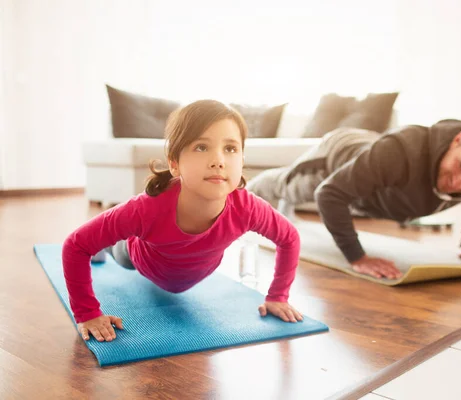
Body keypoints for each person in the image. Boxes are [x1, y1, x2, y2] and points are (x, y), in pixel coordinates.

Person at [63, 100, 303, 343]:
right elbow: (76, 245)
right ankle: (105, 245)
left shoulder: (248, 208)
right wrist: (87, 313)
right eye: (201, 147)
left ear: (242, 160)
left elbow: (289, 238)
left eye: (230, 148)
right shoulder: (145, 210)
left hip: (190, 272)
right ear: (174, 163)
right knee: (117, 250)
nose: (218, 160)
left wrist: (278, 296)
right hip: (138, 257)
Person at [247, 119, 461, 280]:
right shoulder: (400, 152)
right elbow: (329, 194)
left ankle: (282, 209)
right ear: (457, 141)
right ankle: (241, 193)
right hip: (337, 156)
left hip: (372, 158)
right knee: (286, 186)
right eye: (460, 167)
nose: (459, 184)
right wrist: (357, 257)